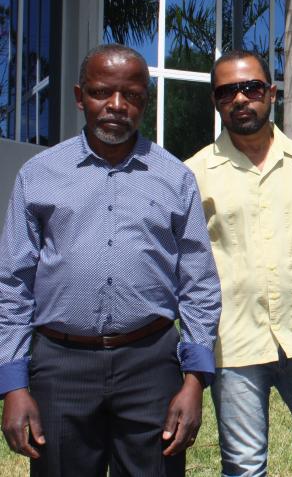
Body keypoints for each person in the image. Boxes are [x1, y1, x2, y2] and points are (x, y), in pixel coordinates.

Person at [0, 44, 222, 476]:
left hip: (150, 363)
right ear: (80, 96)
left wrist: (194, 382)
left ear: (145, 101)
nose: (117, 105)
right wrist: (13, 385)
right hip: (60, 366)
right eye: (102, 92)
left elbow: (199, 284)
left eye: (132, 95)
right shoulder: (39, 175)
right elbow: (12, 283)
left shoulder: (175, 178)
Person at [186, 50, 292, 476]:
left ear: (271, 93)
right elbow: (190, 266)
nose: (240, 98)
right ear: (216, 102)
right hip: (234, 345)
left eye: (251, 88)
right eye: (227, 91)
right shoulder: (194, 174)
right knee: (245, 469)